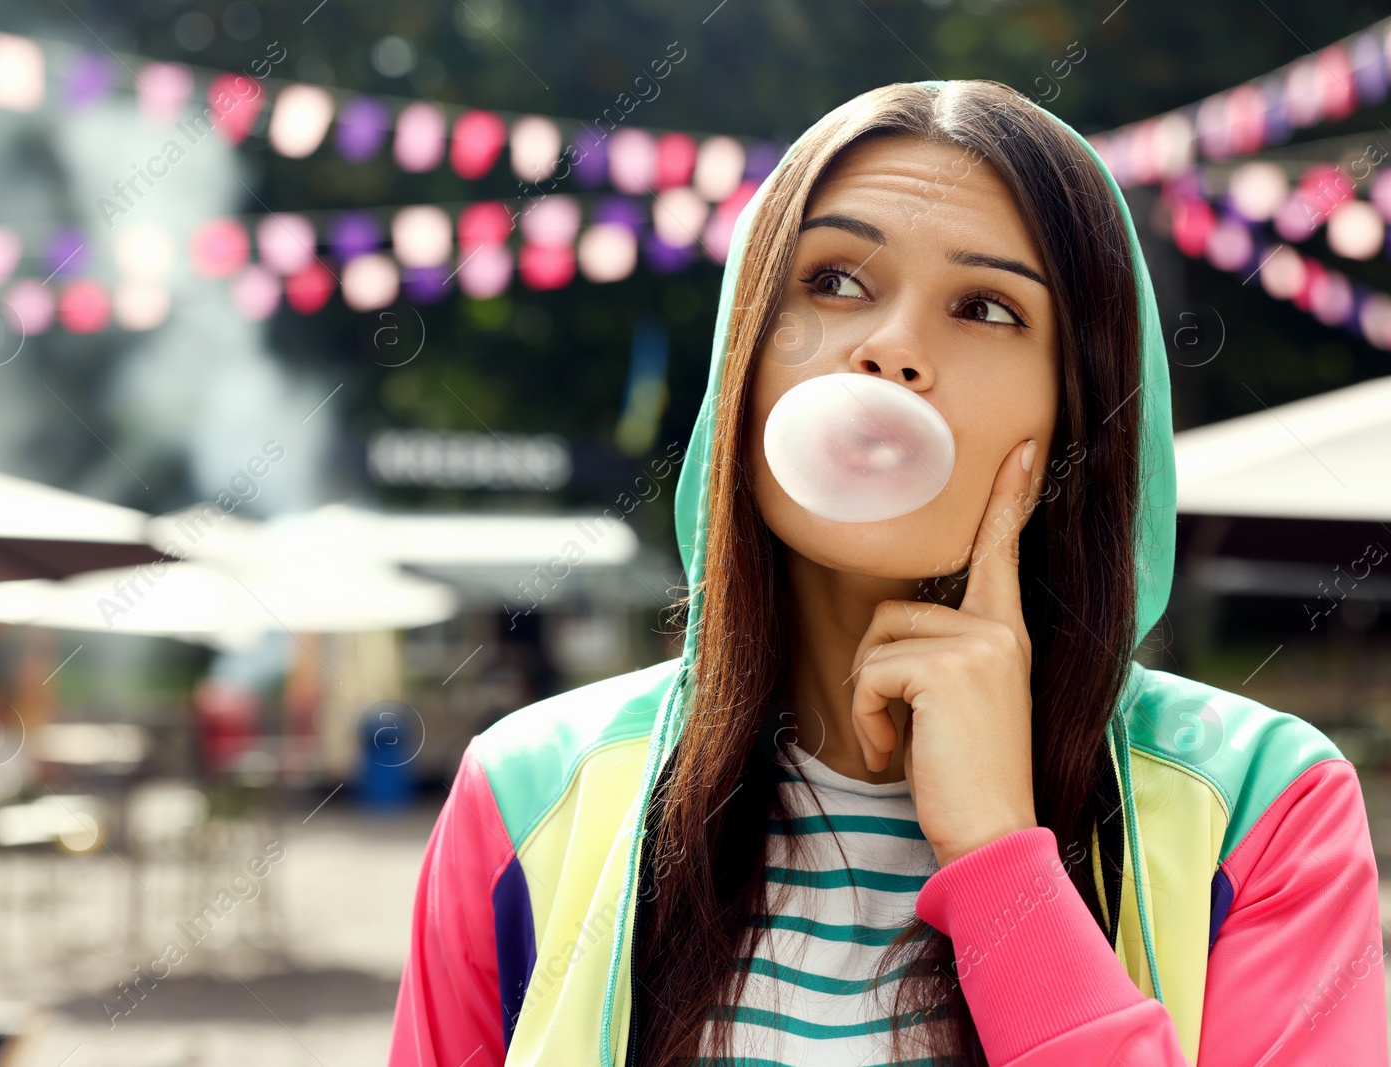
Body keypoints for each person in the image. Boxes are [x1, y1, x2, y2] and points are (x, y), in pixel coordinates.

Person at [388, 80, 1388, 1066]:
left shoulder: (1262, 809)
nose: (892, 348)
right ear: (746, 359)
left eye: (986, 306)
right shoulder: (524, 794)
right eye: (832, 281)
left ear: (1079, 409)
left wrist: (1001, 863)